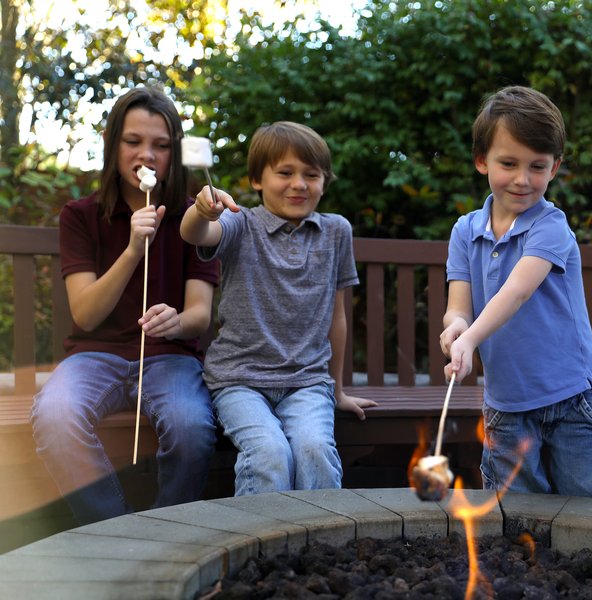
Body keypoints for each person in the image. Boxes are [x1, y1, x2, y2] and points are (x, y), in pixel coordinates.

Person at [31, 86, 220, 525]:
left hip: (170, 357)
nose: (146, 155)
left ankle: (168, 536)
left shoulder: (194, 217)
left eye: (161, 146)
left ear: (174, 154)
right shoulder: (81, 216)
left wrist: (174, 322)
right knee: (56, 417)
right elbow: (87, 313)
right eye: (133, 142)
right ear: (113, 145)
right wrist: (134, 248)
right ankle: (116, 531)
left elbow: (199, 315)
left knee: (192, 429)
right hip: (95, 356)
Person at [440, 86, 592, 499]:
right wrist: (456, 332)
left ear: (555, 167)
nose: (522, 179)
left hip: (572, 401)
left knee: (588, 512)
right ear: (482, 160)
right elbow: (458, 308)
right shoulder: (465, 231)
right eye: (508, 163)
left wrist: (471, 336)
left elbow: (516, 291)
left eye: (537, 167)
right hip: (505, 405)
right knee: (514, 517)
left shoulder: (550, 226)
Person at [180, 121, 375, 496]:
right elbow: (195, 234)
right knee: (268, 454)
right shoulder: (241, 223)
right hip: (240, 380)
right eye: (285, 173)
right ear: (257, 179)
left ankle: (323, 548)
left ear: (324, 181)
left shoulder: (336, 231)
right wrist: (202, 212)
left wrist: (337, 390)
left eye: (311, 175)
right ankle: (260, 551)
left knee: (315, 450)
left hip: (307, 382)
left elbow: (338, 317)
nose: (299, 184)